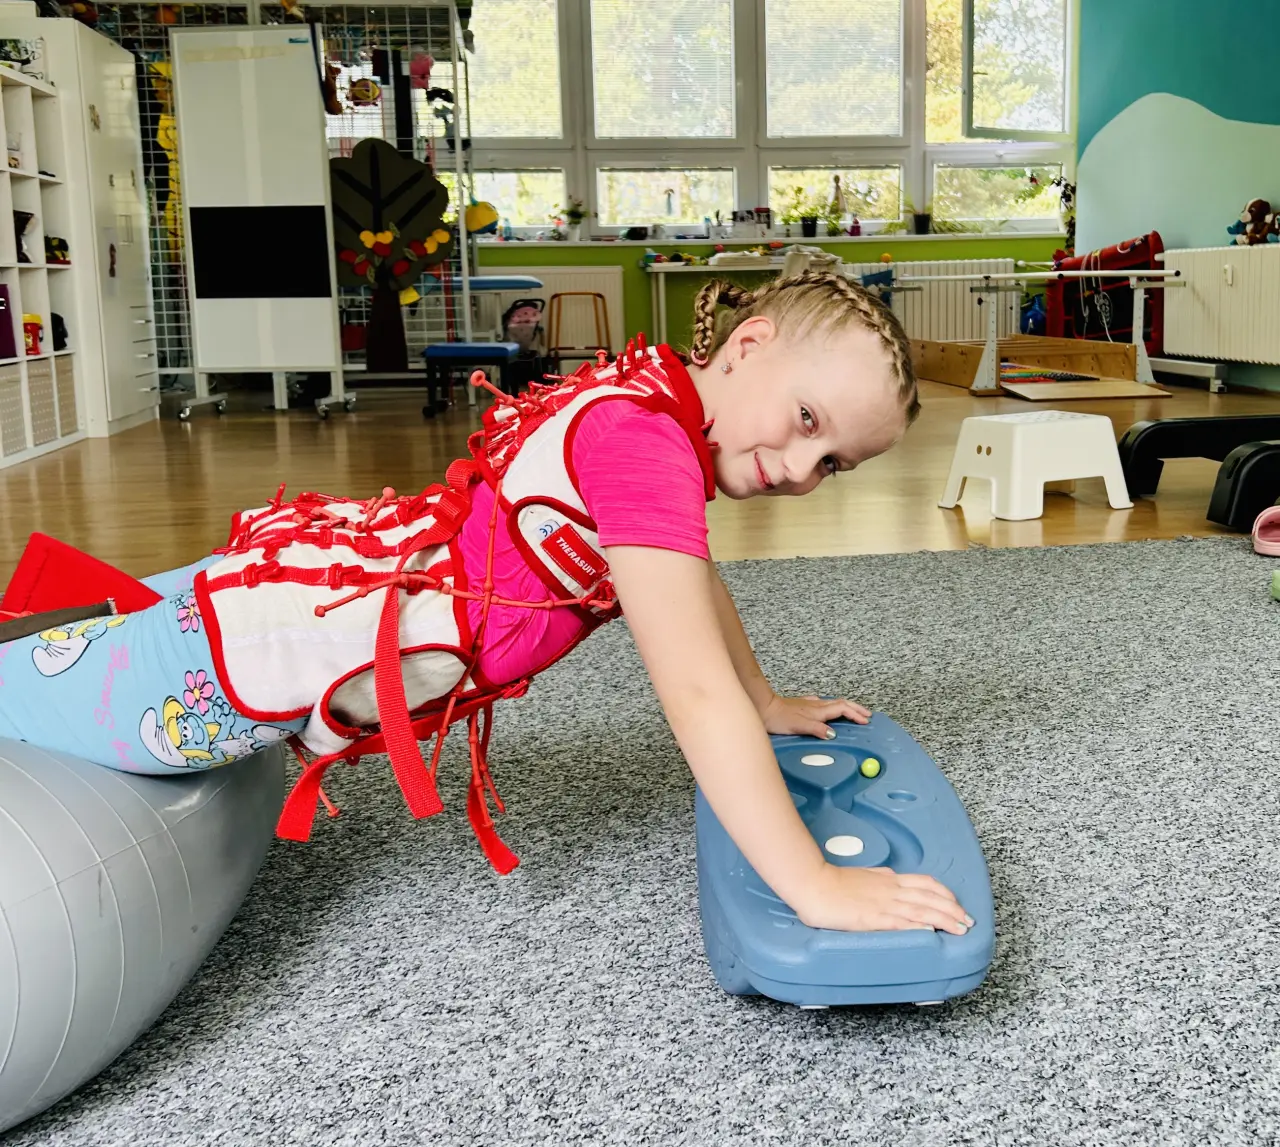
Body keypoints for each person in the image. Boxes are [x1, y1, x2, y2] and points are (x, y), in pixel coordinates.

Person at [0, 270, 971, 937]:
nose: (800, 468)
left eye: (833, 462)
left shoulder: (651, 398)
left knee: (78, 641)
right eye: (805, 420)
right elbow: (691, 693)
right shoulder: (647, 449)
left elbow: (693, 583)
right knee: (31, 702)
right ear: (750, 343)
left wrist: (763, 699)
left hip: (313, 578)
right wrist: (813, 883)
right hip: (260, 648)